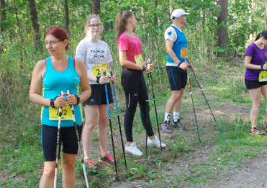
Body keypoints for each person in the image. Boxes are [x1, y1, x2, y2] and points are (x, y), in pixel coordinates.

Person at [29, 26, 91, 188]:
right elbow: (33, 94)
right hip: (50, 122)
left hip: (73, 121)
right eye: (47, 43)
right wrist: (51, 102)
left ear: (64, 42)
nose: (49, 47)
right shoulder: (42, 65)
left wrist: (78, 99)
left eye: (53, 42)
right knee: (49, 169)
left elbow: (87, 89)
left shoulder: (77, 64)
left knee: (70, 164)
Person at [116, 10, 166, 156]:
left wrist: (146, 65)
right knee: (131, 107)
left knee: (145, 105)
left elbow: (137, 57)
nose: (136, 20)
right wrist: (142, 67)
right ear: (130, 19)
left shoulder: (135, 36)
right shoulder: (123, 38)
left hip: (139, 74)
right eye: (135, 17)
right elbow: (123, 61)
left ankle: (151, 138)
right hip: (129, 76)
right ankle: (129, 143)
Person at [75, 15, 116, 168]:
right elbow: (79, 69)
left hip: (103, 85)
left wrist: (112, 75)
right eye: (92, 25)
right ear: (87, 26)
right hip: (90, 86)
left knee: (104, 120)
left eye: (98, 25)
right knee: (91, 121)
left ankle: (104, 154)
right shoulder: (83, 45)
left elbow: (108, 65)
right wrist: (95, 78)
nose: (95, 28)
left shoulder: (104, 45)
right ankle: (86, 156)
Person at [162, 9, 191, 133]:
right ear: (178, 17)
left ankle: (176, 120)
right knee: (175, 94)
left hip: (182, 66)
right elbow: (168, 48)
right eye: (184, 16)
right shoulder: (171, 30)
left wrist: (187, 61)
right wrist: (179, 63)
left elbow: (183, 50)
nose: (185, 18)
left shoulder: (181, 32)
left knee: (180, 94)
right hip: (173, 66)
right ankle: (165, 122)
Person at [244, 30, 267, 135]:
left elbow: (265, 62)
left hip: (263, 77)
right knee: (257, 104)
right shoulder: (251, 47)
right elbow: (246, 64)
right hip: (252, 78)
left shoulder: (264, 46)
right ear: (263, 38)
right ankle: (253, 128)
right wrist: (261, 67)